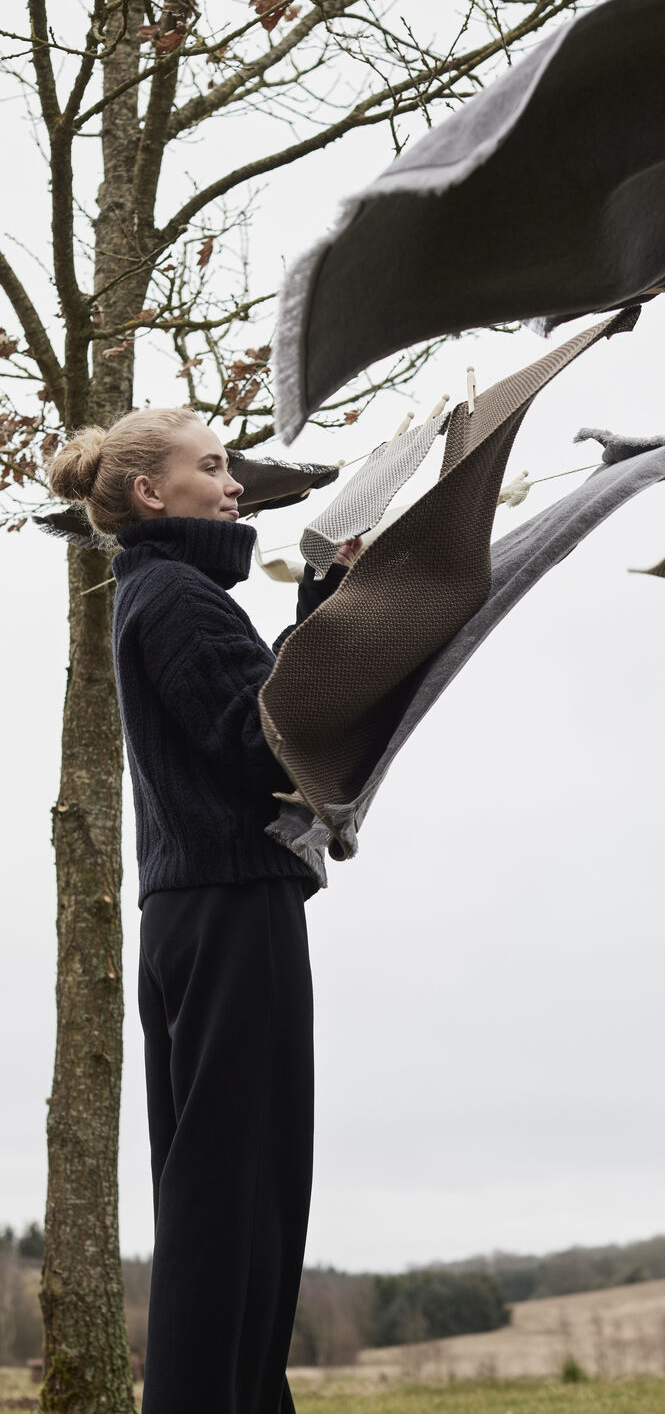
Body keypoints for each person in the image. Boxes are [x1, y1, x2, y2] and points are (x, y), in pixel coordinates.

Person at [46, 407, 358, 1414]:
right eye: (214, 467)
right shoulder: (179, 596)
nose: (234, 487)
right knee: (241, 1198)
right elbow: (267, 741)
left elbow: (253, 717)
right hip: (231, 911)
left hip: (195, 914)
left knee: (222, 1195)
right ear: (151, 493)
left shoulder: (154, 590)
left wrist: (323, 597)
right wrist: (337, 612)